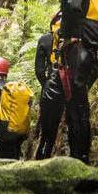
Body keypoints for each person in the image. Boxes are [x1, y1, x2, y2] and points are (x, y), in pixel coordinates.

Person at [51, 0, 98, 164]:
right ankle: (79, 157)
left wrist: (70, 33)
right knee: (77, 107)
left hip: (77, 55)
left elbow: (74, 4)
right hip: (84, 54)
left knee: (77, 108)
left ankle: (81, 159)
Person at [35, 12, 64, 160]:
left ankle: (41, 152)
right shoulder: (72, 35)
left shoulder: (45, 39)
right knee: (55, 127)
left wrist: (46, 84)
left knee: (46, 126)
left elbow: (39, 70)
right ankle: (48, 153)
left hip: (48, 89)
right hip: (66, 90)